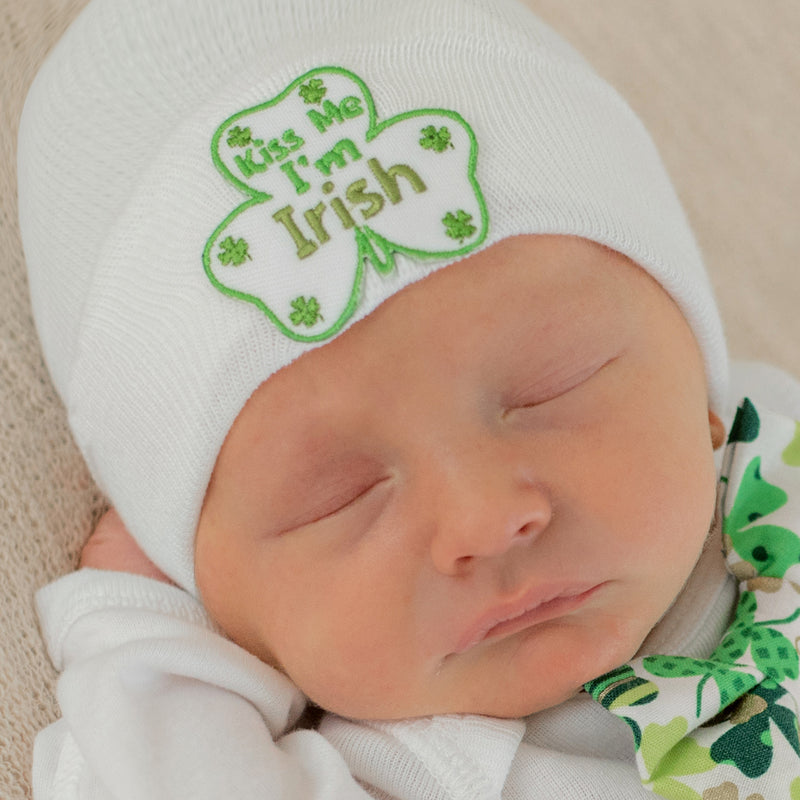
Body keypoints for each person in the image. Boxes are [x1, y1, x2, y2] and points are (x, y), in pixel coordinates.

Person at [17, 0, 800, 797]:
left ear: (696, 375)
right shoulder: (393, 776)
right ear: (232, 614)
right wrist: (151, 649)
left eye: (550, 387)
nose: (486, 519)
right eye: (342, 497)